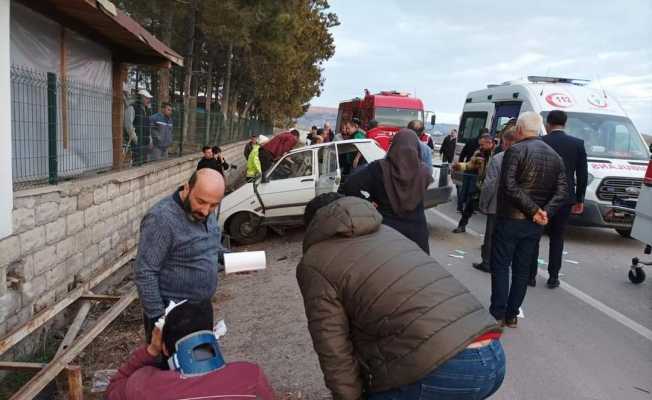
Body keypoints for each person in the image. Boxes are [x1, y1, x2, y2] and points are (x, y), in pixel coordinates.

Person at [297, 194, 505, 400]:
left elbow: (333, 346)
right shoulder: (387, 232)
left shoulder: (315, 261)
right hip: (493, 353)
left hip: (445, 368)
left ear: (314, 226)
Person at [490, 112, 568, 328]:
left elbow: (509, 185)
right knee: (522, 269)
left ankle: (498, 312)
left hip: (511, 218)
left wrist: (535, 211)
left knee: (501, 265)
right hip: (534, 224)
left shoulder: (515, 150)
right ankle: (512, 314)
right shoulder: (555, 155)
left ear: (520, 130)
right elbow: (562, 191)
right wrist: (544, 212)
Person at [106, 302, 274, 400]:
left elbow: (112, 389)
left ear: (164, 347)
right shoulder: (250, 375)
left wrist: (151, 350)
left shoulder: (144, 385)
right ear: (213, 336)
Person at [135, 169, 227, 342]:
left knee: (200, 365)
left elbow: (211, 245)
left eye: (213, 205)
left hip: (202, 309)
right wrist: (159, 322)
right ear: (187, 188)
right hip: (172, 317)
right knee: (169, 368)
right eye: (201, 201)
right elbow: (145, 272)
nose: (206, 211)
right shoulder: (161, 219)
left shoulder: (204, 211)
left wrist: (233, 260)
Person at [340, 129, 433, 253]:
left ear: (393, 146)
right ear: (417, 148)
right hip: (416, 233)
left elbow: (350, 185)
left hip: (386, 232)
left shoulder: (378, 168)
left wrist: (368, 202)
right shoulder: (424, 172)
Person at [537, 110, 588, 288]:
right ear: (565, 124)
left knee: (534, 236)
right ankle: (553, 277)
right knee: (557, 237)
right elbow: (582, 175)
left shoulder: (540, 142)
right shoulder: (577, 144)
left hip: (540, 197)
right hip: (565, 198)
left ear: (547, 123)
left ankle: (528, 275)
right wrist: (579, 199)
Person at [473, 126, 517, 272]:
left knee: (491, 235)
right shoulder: (526, 157)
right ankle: (504, 262)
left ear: (507, 142)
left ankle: (487, 262)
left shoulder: (498, 159)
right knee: (508, 236)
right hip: (517, 207)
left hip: (496, 204)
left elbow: (489, 184)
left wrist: (483, 203)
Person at [452, 134, 496, 233]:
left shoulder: (498, 153)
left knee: (493, 211)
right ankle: (462, 226)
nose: (480, 147)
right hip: (480, 184)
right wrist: (459, 166)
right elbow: (470, 165)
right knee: (469, 204)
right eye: (480, 145)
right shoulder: (479, 152)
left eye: (482, 145)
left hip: (494, 186)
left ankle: (491, 235)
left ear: (490, 143)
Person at [456, 128, 487, 212]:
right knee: (471, 190)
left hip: (467, 168)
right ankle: (467, 208)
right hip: (474, 170)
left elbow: (462, 154)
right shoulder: (482, 145)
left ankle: (460, 207)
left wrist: (461, 165)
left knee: (465, 188)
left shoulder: (470, 141)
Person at [132, 89, 153, 166]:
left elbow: (148, 126)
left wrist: (150, 138)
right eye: (147, 98)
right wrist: (135, 138)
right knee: (137, 163)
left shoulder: (147, 110)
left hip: (145, 142)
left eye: (149, 98)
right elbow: (128, 125)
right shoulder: (133, 108)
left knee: (144, 163)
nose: (149, 100)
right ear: (141, 98)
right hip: (137, 142)